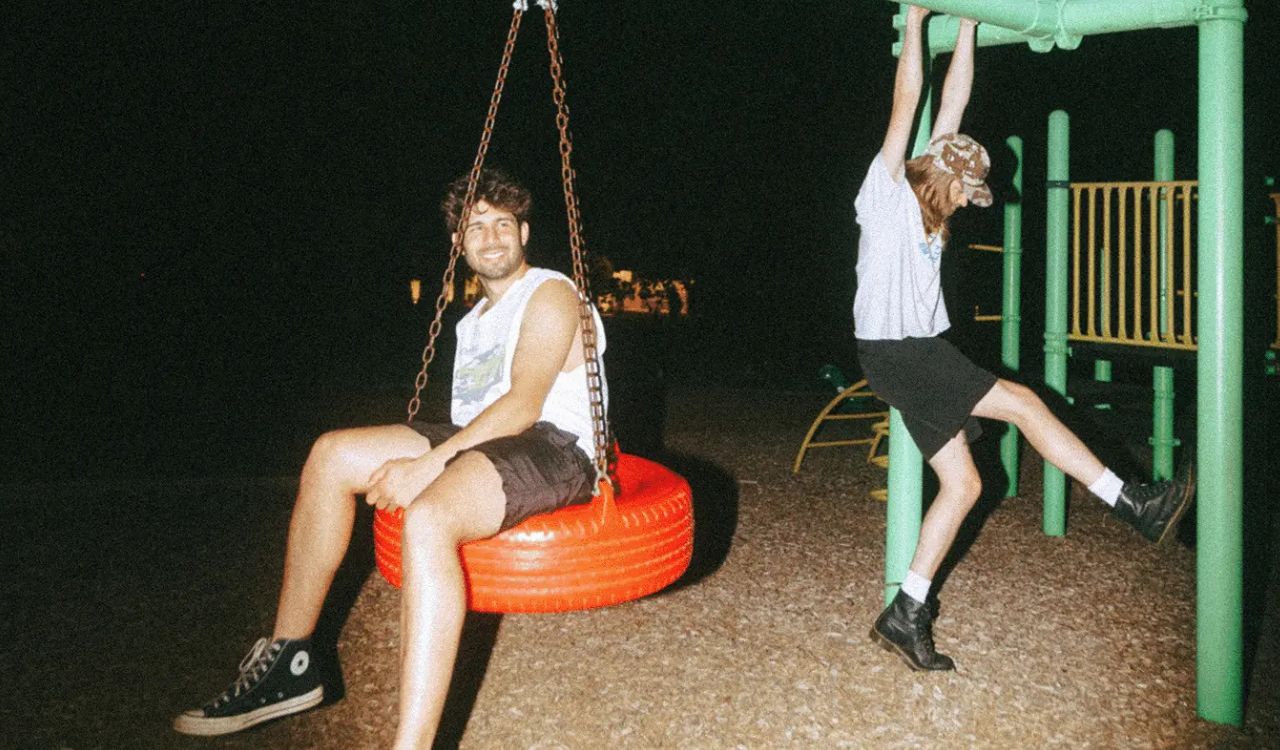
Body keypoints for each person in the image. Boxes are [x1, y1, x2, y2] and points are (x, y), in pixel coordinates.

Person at [173, 168, 607, 746]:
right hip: (482, 437)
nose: (493, 237)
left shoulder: (551, 292)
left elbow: (524, 403)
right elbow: (469, 421)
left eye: (504, 223)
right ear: (459, 244)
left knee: (428, 515)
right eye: (476, 227)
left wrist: (431, 466)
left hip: (555, 445)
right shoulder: (472, 321)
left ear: (525, 233)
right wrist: (439, 452)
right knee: (331, 455)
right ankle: (289, 663)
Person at [855, 6, 1195, 672]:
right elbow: (910, 97)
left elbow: (953, 99)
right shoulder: (888, 191)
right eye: (964, 192)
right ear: (944, 177)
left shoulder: (931, 199)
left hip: (913, 354)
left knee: (963, 484)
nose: (965, 203)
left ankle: (906, 611)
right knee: (1026, 405)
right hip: (902, 351)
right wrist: (919, 19)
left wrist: (974, 26)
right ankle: (1132, 504)